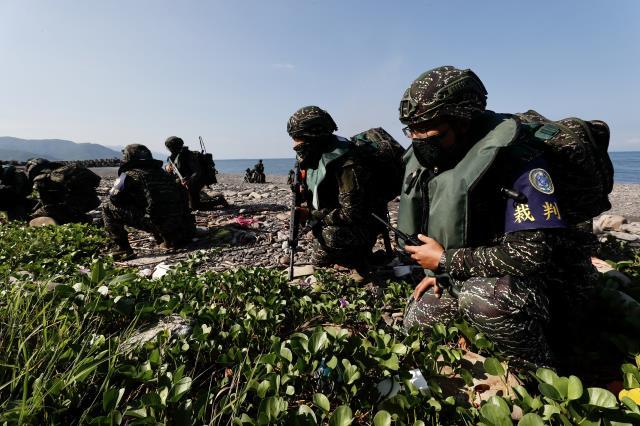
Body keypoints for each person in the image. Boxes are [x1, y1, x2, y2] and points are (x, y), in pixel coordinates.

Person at [397, 66, 599, 367]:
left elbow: (533, 255)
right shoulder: (446, 156)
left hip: (549, 281)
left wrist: (445, 261)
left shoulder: (520, 161)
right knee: (419, 317)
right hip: (480, 271)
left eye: (427, 129)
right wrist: (437, 274)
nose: (418, 138)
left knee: (483, 300)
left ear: (462, 122)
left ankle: (542, 379)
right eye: (411, 130)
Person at [286, 106, 386, 268]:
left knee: (329, 240)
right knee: (321, 254)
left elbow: (352, 213)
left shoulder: (347, 163)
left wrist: (312, 214)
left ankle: (359, 256)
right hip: (336, 220)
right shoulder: (317, 154)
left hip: (362, 225)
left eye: (299, 138)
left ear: (315, 137)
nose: (294, 145)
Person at [102, 144, 195, 259]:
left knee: (107, 207)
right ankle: (170, 238)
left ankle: (121, 249)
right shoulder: (164, 173)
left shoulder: (128, 175)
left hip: (157, 222)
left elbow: (114, 198)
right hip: (180, 222)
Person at [25, 158, 101, 224]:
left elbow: (46, 205)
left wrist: (33, 213)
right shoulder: (58, 173)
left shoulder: (41, 179)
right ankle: (81, 218)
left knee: (38, 215)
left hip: (76, 204)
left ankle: (83, 220)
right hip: (93, 201)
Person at [165, 136, 205, 210]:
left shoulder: (187, 155)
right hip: (181, 183)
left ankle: (219, 201)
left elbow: (197, 172)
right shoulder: (173, 156)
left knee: (195, 207)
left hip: (193, 183)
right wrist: (168, 168)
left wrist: (188, 181)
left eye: (170, 147)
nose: (169, 149)